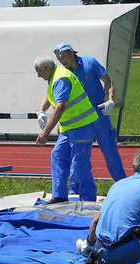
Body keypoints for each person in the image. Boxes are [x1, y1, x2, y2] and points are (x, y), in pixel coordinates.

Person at [41, 43, 127, 186]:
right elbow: (51, 92)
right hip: (79, 117)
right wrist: (41, 110)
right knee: (77, 153)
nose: (62, 61)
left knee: (109, 148)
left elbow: (108, 81)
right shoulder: (63, 73)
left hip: (98, 112)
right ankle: (75, 187)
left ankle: (122, 183)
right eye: (59, 59)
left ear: (72, 52)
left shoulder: (90, 63)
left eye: (63, 57)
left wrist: (111, 99)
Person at [33, 55, 99, 203]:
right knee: (57, 155)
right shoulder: (54, 76)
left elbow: (60, 106)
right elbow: (49, 94)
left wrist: (46, 131)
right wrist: (41, 110)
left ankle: (88, 199)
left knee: (79, 163)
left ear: (46, 68)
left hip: (82, 125)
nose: (38, 75)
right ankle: (59, 195)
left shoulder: (61, 79)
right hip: (69, 127)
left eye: (38, 71)